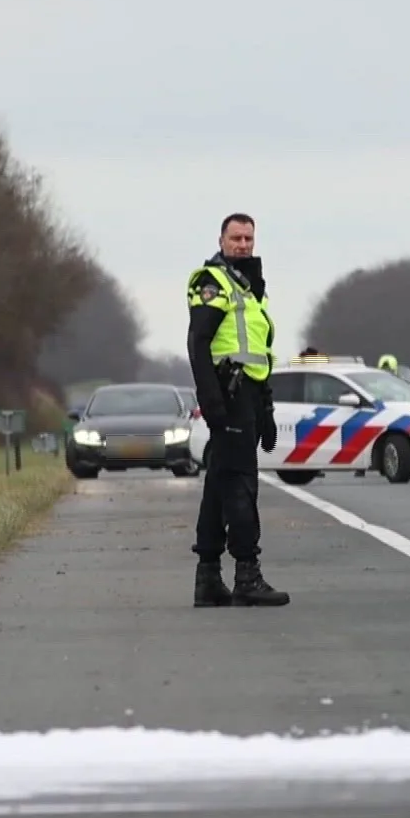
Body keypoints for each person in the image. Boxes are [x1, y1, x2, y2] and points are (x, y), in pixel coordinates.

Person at [187, 212, 290, 608]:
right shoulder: (213, 281)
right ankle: (247, 574)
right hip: (227, 395)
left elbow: (258, 353)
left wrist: (266, 406)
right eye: (236, 238)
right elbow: (198, 342)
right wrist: (211, 400)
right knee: (241, 483)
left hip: (248, 394)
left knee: (219, 483)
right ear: (222, 240)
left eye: (248, 238)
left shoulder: (250, 289)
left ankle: (208, 578)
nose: (243, 245)